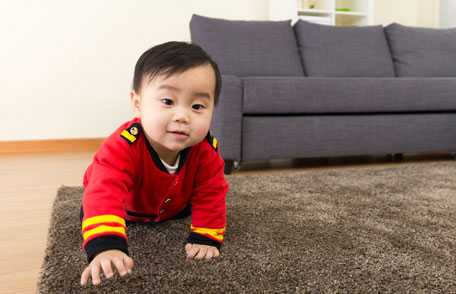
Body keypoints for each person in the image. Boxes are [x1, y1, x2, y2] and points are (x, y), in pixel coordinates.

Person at [79, 41, 228, 286]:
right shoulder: (123, 146)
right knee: (95, 202)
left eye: (198, 106)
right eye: (168, 102)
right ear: (138, 103)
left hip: (172, 204)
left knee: (199, 199)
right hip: (126, 206)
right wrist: (106, 246)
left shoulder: (206, 150)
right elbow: (105, 189)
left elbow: (212, 192)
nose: (182, 116)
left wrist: (206, 236)